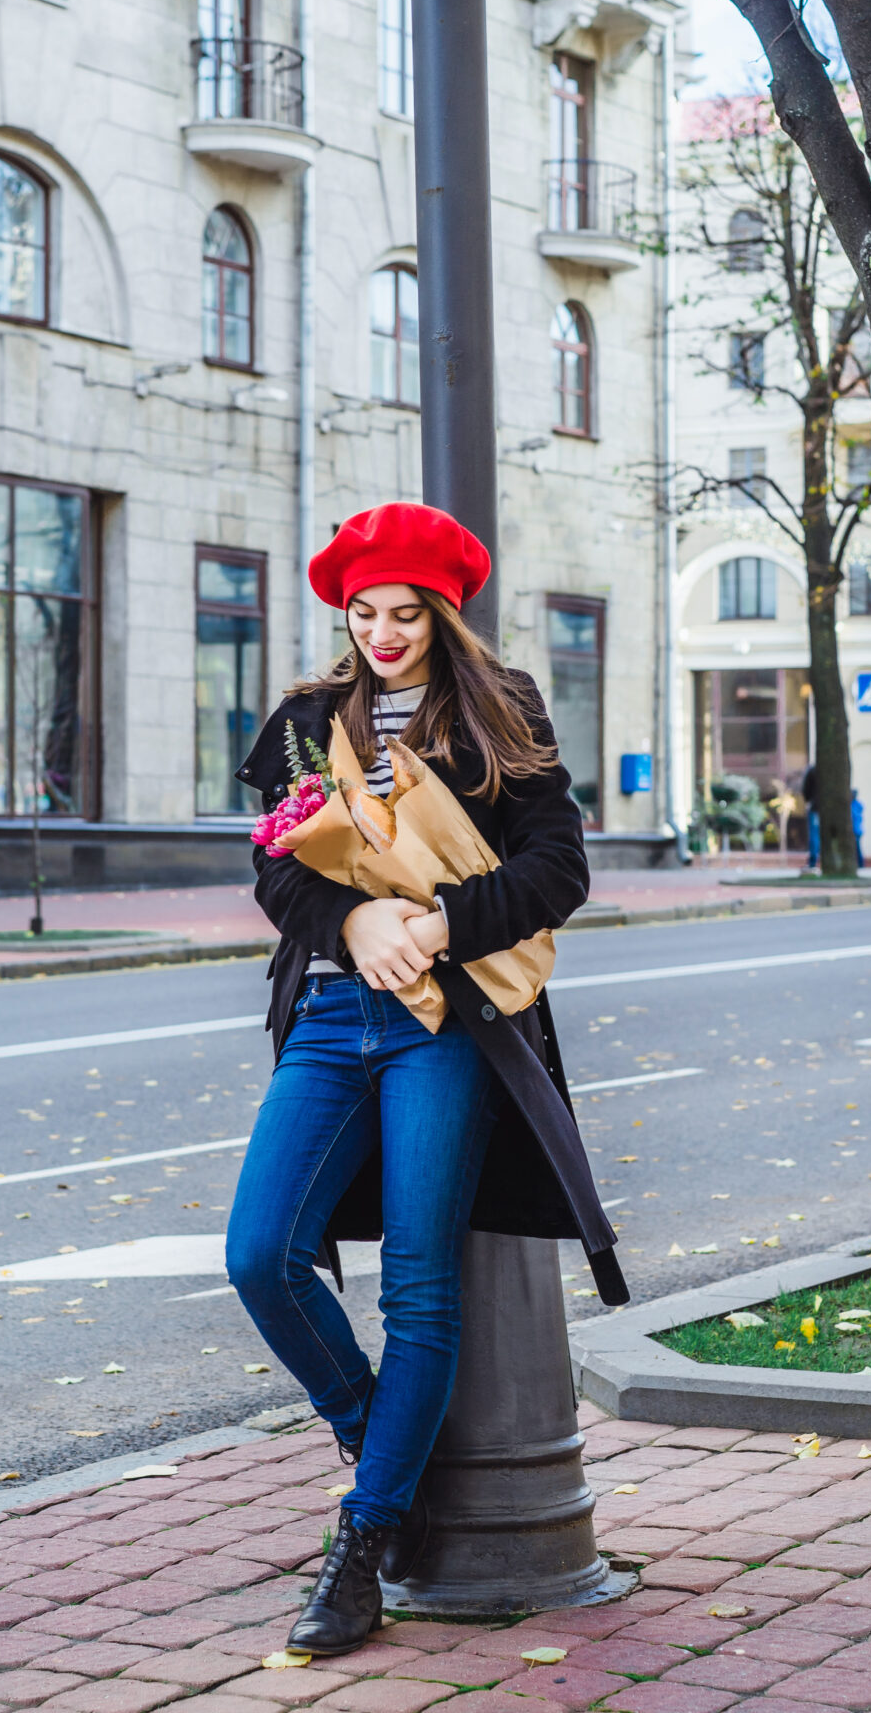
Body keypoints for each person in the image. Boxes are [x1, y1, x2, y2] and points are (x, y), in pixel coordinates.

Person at [226, 502, 626, 1660]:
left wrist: (436, 924)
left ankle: (363, 1542)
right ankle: (376, 1435)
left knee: (419, 1285)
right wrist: (356, 926)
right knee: (260, 1253)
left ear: (441, 614)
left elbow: (558, 870)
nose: (383, 633)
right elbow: (273, 869)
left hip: (446, 1023)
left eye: (405, 613)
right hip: (334, 1011)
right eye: (364, 613)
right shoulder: (306, 720)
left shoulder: (502, 713)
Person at [801, 763, 819, 868]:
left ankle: (813, 861)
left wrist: (809, 800)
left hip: (815, 807)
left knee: (814, 835)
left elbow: (806, 789)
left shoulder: (813, 770)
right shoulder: (833, 768)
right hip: (825, 807)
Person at [850, 787, 865, 870]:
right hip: (857, 830)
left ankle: (860, 864)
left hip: (856, 830)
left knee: (857, 848)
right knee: (856, 848)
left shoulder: (854, 805)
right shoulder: (857, 805)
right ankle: (859, 864)